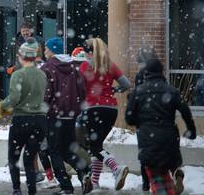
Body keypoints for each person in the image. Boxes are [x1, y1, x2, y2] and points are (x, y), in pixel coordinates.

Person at [125, 57, 196, 195]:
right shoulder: (171, 91)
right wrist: (191, 130)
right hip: (169, 138)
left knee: (157, 179)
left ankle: (168, 185)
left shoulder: (138, 91)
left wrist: (143, 123)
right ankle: (176, 174)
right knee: (167, 170)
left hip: (148, 141)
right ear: (161, 71)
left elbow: (129, 118)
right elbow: (185, 111)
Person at [78, 38, 131, 192]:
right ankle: (95, 183)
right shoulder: (111, 66)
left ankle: (115, 168)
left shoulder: (84, 67)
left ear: (88, 52)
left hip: (92, 109)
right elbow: (126, 84)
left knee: (93, 146)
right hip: (111, 110)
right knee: (97, 146)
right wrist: (113, 91)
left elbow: (79, 88)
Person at [0, 38, 47, 195]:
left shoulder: (18, 75)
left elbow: (13, 99)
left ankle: (17, 189)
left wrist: (2, 106)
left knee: (13, 156)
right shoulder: (42, 75)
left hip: (21, 120)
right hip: (40, 121)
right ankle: (32, 190)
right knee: (30, 157)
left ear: (21, 56)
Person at [42, 37, 89, 195]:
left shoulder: (48, 67)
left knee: (54, 150)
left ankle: (66, 186)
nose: (44, 51)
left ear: (53, 50)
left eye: (46, 48)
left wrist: (43, 108)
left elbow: (46, 93)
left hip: (54, 115)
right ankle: (84, 172)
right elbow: (83, 91)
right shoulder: (73, 68)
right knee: (67, 150)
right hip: (71, 115)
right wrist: (76, 108)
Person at [134, 46, 160, 192]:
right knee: (160, 151)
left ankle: (146, 183)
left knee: (144, 153)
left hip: (144, 120)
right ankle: (163, 178)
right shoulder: (159, 75)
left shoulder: (140, 76)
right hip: (160, 119)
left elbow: (137, 98)